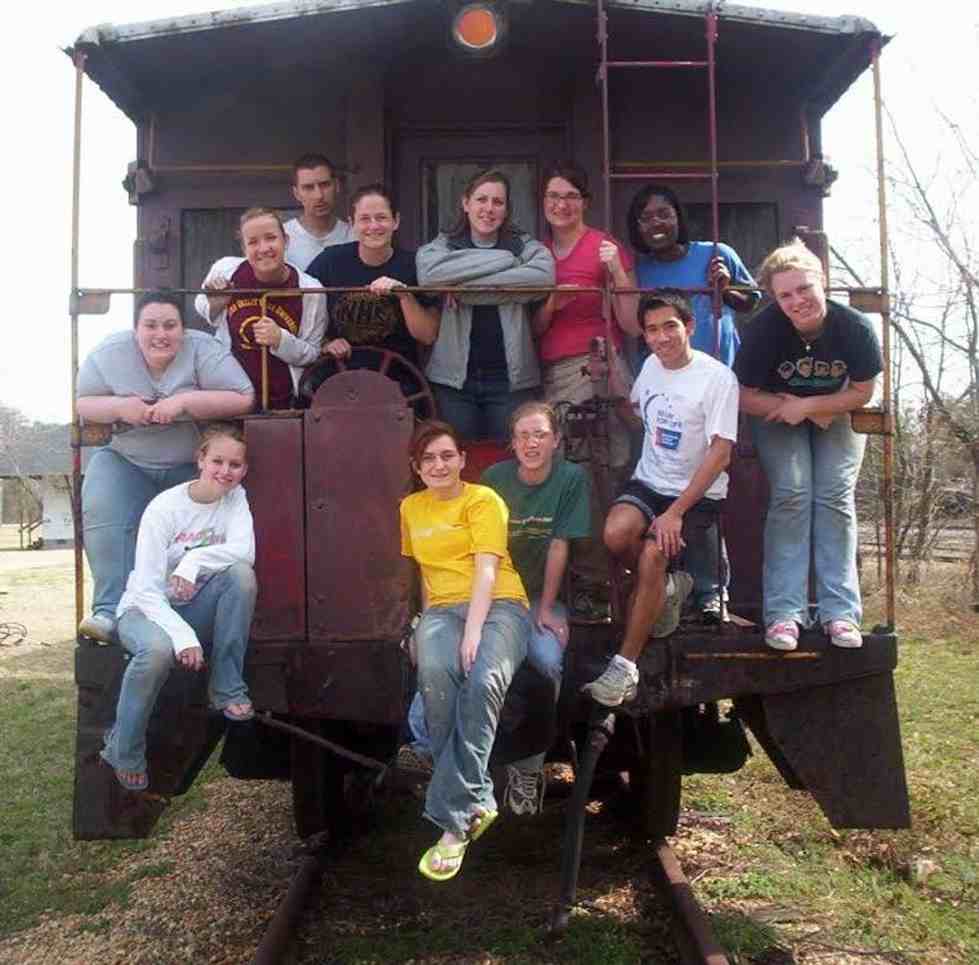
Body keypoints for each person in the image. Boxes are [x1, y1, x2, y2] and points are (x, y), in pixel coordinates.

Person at [402, 402, 590, 816]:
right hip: (470, 597)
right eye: (523, 435)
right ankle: (429, 750)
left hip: (527, 595)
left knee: (545, 662)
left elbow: (558, 544)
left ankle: (529, 765)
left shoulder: (568, 479)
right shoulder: (492, 481)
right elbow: (435, 565)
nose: (531, 443)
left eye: (540, 434)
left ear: (557, 440)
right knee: (438, 665)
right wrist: (429, 619)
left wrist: (544, 607)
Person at [582, 292, 739, 707]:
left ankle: (623, 668)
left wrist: (674, 513)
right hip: (651, 481)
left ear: (689, 327)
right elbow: (639, 417)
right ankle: (669, 587)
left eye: (670, 326)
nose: (661, 337)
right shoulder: (651, 367)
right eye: (652, 329)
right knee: (616, 535)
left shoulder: (717, 378)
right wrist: (608, 384)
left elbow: (720, 453)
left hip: (697, 494)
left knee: (651, 556)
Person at [77, 293, 254, 645]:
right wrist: (121, 407)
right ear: (135, 330)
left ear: (183, 329)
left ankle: (181, 609)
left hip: (187, 467)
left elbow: (243, 396)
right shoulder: (109, 353)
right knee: (107, 514)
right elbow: (83, 401)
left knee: (195, 535)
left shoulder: (203, 350)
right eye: (151, 325)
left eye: (170, 325)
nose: (161, 334)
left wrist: (183, 402)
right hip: (127, 461)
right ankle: (109, 611)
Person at [734, 238, 882, 652]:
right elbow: (743, 395)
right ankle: (784, 614)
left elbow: (863, 391)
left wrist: (812, 405)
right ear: (774, 299)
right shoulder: (764, 331)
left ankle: (840, 614)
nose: (797, 301)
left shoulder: (854, 327)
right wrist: (789, 407)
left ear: (822, 283)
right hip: (779, 414)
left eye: (804, 289)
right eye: (785, 294)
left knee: (835, 496)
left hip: (835, 409)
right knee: (793, 494)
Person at [401, 420, 531, 880]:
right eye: (429, 459)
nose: (439, 465)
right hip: (440, 612)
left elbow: (488, 571)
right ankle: (477, 799)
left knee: (483, 678)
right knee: (436, 678)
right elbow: (422, 571)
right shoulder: (411, 508)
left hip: (499, 606)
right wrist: (422, 624)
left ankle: (455, 824)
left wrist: (473, 631)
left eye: (446, 456)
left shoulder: (483, 500)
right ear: (417, 468)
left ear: (461, 460)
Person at [100, 422, 257, 792]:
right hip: (145, 609)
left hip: (193, 605)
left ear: (244, 470)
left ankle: (227, 687)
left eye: (235, 465)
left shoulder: (236, 499)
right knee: (155, 653)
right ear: (200, 459)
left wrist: (191, 563)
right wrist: (183, 637)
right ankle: (124, 749)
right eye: (217, 460)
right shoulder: (165, 509)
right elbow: (147, 588)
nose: (225, 471)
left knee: (240, 576)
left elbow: (244, 552)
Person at [628, 184, 758, 621]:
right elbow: (632, 320)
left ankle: (711, 590)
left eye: (664, 214)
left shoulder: (715, 253)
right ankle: (674, 583)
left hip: (713, 385)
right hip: (669, 387)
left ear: (679, 216)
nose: (656, 224)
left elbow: (750, 299)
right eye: (646, 218)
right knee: (673, 481)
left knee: (709, 488)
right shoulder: (640, 268)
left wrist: (727, 285)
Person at [416, 168, 555, 441]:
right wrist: (506, 261)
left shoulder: (525, 246)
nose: (489, 209)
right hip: (453, 382)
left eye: (497, 202)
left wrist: (462, 289)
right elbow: (430, 276)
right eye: (481, 200)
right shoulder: (442, 246)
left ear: (506, 209)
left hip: (510, 382)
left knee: (508, 464)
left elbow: (543, 277)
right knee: (458, 462)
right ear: (466, 203)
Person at [306, 184, 439, 388]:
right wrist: (325, 343)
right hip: (336, 381)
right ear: (352, 223)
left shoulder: (415, 265)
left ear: (396, 221)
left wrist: (404, 295)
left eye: (382, 217)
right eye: (365, 219)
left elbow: (428, 335)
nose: (373, 226)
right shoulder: (329, 262)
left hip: (400, 384)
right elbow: (301, 314)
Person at [196, 207, 327, 409]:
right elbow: (202, 305)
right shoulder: (227, 269)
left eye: (270, 238)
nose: (263, 248)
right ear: (244, 248)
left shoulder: (310, 290)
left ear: (286, 241)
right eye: (253, 242)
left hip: (281, 402)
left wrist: (280, 339)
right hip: (229, 396)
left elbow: (311, 353)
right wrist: (217, 303)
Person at [283, 153, 355, 270]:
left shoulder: (354, 235)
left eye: (325, 185)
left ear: (337, 186)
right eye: (308, 187)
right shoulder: (282, 237)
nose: (319, 195)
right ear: (296, 193)